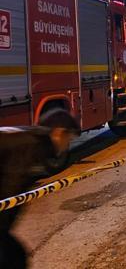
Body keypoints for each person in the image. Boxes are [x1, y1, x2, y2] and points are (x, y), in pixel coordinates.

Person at [0, 109, 79, 268]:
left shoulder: (34, 141)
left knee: (13, 255)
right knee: (13, 257)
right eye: (68, 139)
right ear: (59, 133)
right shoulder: (29, 146)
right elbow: (10, 190)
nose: (67, 146)